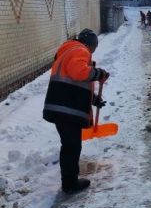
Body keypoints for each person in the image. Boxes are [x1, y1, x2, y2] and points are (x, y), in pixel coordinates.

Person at [43, 29, 110, 193]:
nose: (92, 53)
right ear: (91, 45)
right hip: (65, 109)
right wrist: (99, 73)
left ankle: (69, 181)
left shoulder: (69, 51)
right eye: (93, 49)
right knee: (71, 146)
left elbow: (73, 83)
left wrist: (94, 99)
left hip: (62, 107)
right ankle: (70, 184)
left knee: (70, 145)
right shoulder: (80, 50)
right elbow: (79, 72)